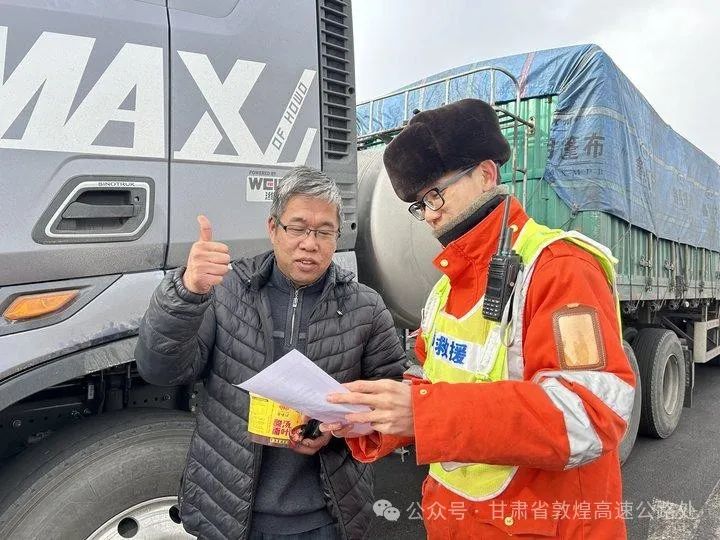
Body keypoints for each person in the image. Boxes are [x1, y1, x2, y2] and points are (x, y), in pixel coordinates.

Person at [322, 99, 636, 539]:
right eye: (419, 204)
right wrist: (373, 415)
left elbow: (590, 415)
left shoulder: (561, 269)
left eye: (435, 194)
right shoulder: (445, 290)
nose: (429, 214)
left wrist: (424, 413)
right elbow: (435, 381)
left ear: (487, 174)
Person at [135, 166, 406, 540]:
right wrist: (186, 292)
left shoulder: (366, 307)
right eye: (297, 228)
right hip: (228, 511)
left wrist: (338, 432)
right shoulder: (225, 291)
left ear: (337, 237)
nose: (309, 243)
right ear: (273, 228)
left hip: (325, 518)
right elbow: (160, 369)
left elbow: (391, 403)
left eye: (324, 231)